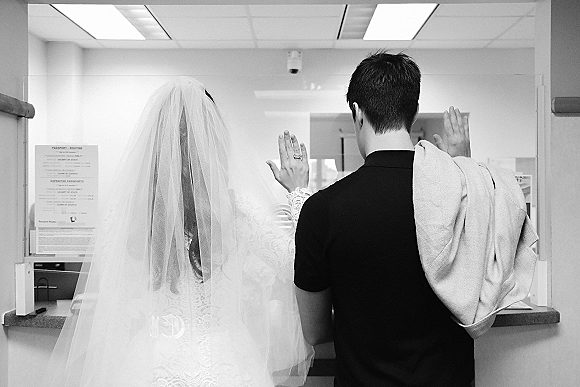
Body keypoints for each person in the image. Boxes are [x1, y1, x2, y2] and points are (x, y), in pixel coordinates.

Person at [45, 77, 313, 387]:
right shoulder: (234, 209)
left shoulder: (127, 214)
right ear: (216, 143)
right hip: (227, 366)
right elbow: (298, 264)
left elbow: (112, 297)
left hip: (149, 366)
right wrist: (298, 193)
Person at [289, 52, 476, 387]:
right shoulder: (460, 193)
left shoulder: (322, 209)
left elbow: (315, 331)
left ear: (358, 113)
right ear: (413, 112)